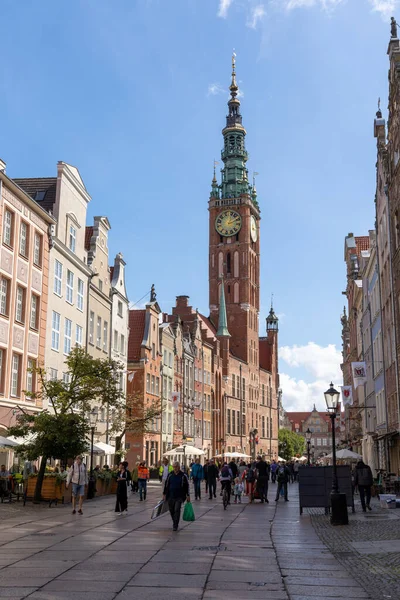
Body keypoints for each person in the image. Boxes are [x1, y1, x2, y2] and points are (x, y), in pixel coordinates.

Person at [163, 461, 190, 531]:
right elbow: (166, 485)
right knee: (171, 510)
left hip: (180, 496)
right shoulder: (170, 475)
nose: (175, 468)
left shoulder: (183, 475)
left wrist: (188, 495)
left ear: (179, 467)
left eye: (176, 467)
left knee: (177, 509)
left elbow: (187, 486)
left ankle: (175, 525)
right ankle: (175, 521)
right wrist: (164, 494)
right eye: (174, 467)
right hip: (170, 495)